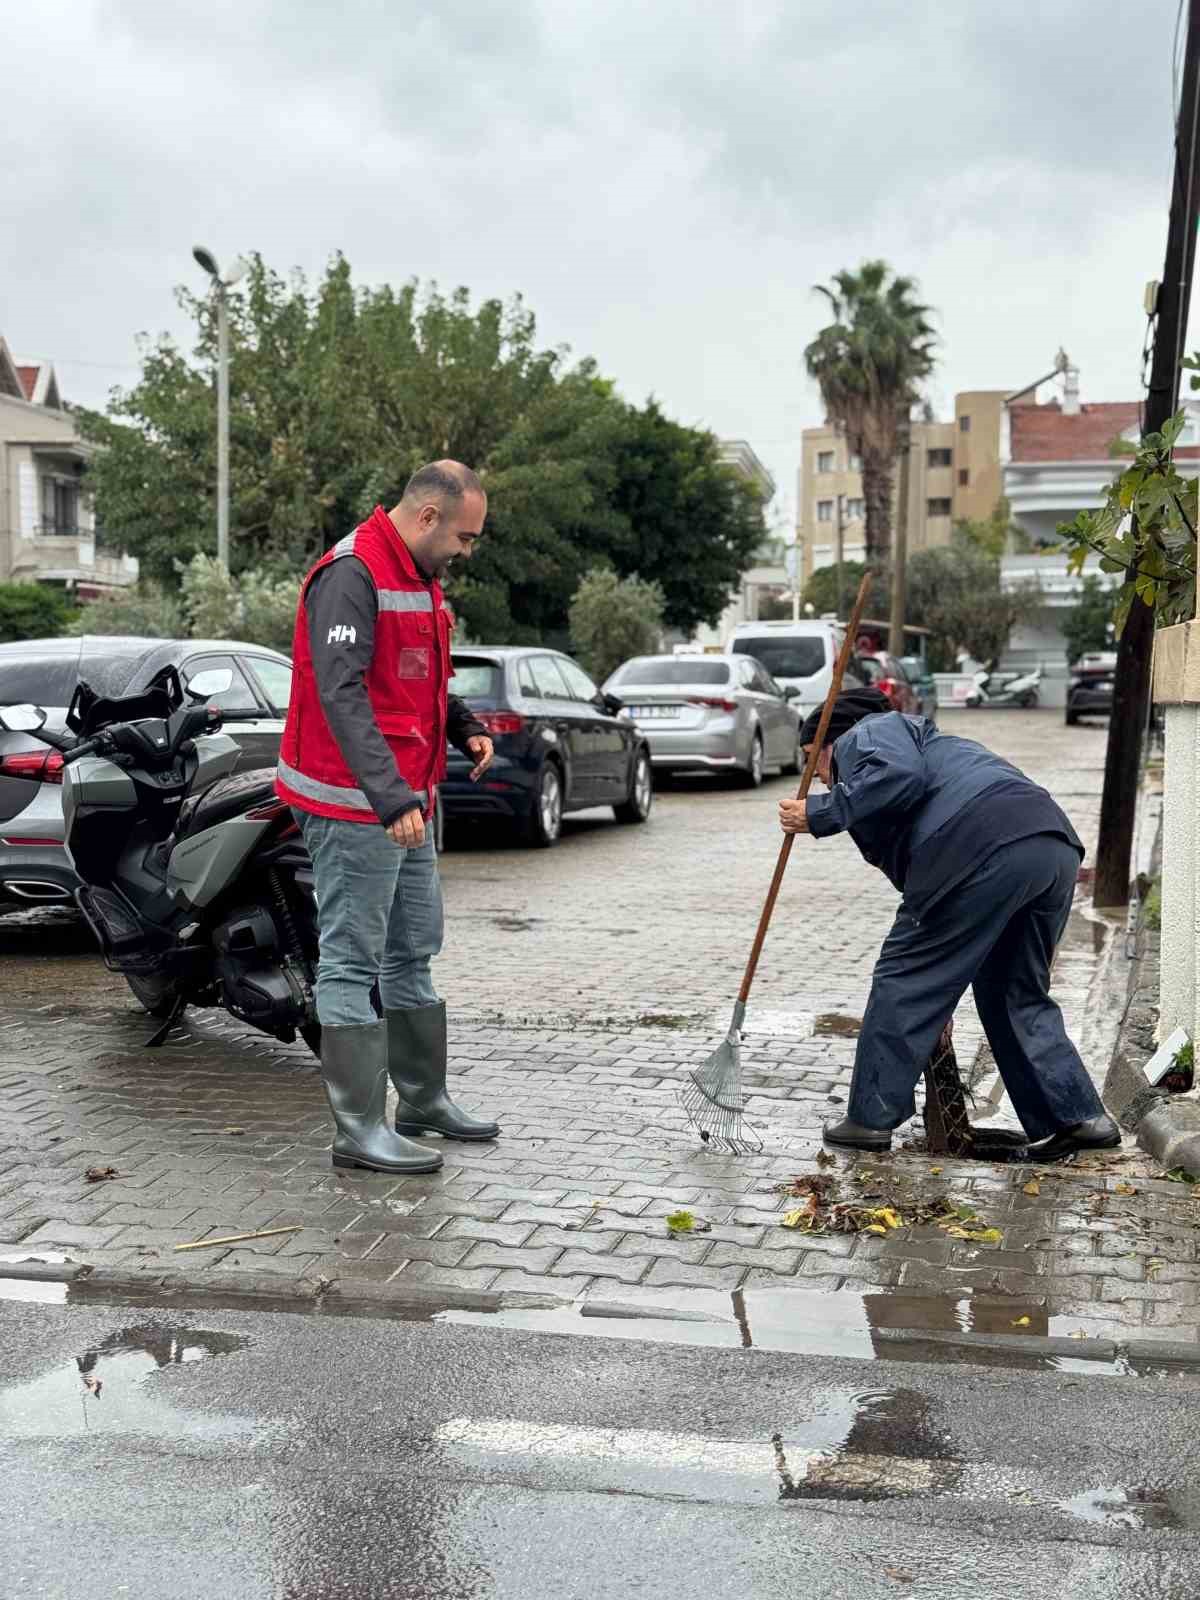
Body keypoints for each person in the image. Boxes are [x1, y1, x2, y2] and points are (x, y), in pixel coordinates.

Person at [778, 687, 1120, 1163]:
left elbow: (898, 776)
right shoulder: (935, 745)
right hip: (1050, 847)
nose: (814, 775)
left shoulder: (870, 732)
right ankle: (1078, 1118)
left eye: (812, 758)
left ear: (831, 740)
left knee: (904, 979)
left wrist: (820, 812)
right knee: (1012, 991)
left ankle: (869, 1120)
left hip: (978, 848)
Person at [276, 461, 501, 1174]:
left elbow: (415, 677)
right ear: (429, 517)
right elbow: (342, 694)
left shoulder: (419, 575)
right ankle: (358, 1129)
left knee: (413, 950)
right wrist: (389, 796)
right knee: (350, 961)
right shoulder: (352, 573)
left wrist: (463, 723)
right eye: (464, 536)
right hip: (356, 804)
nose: (467, 551)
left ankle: (424, 1101)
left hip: (406, 799)